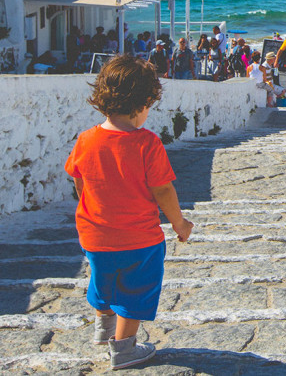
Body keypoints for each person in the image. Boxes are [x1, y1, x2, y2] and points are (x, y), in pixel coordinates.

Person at [64, 55, 192, 370]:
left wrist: (91, 206)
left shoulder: (86, 140)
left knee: (102, 278)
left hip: (95, 235)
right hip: (140, 239)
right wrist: (179, 223)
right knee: (136, 289)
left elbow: (79, 180)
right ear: (142, 103)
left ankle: (103, 327)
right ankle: (123, 349)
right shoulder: (147, 144)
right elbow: (163, 190)